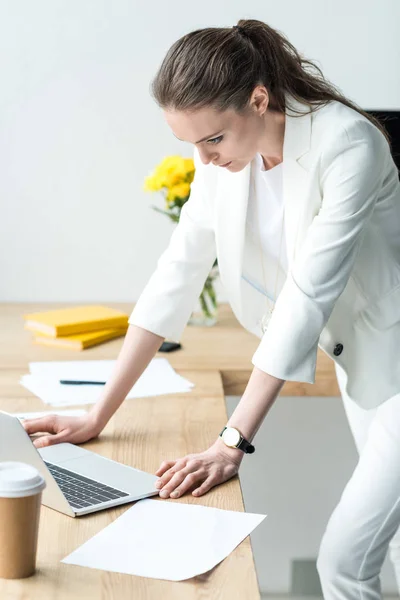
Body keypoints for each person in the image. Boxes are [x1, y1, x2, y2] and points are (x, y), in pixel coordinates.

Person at [22, 19, 400, 599]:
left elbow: (308, 295)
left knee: (345, 562)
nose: (202, 157)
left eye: (213, 139)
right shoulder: (223, 162)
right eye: (190, 144)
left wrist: (232, 442)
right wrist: (99, 415)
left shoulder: (348, 143)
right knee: (389, 547)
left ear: (258, 98)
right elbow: (177, 272)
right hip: (363, 363)